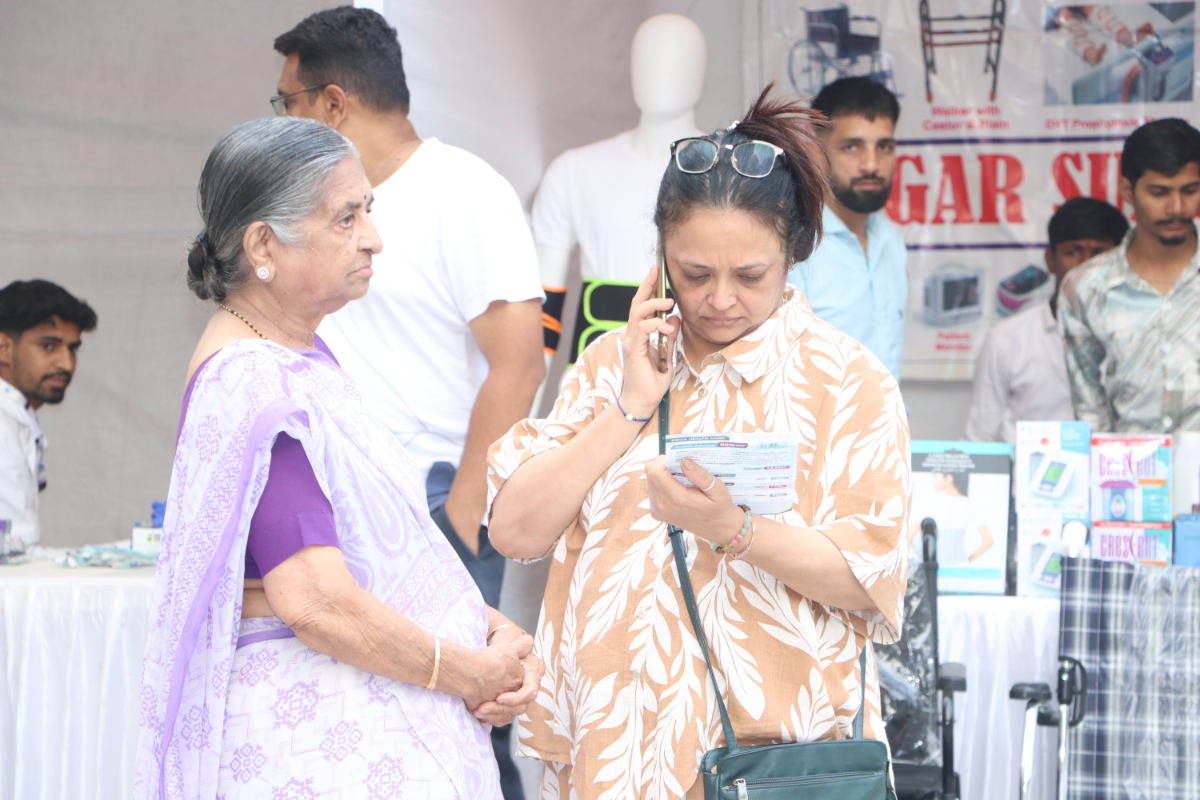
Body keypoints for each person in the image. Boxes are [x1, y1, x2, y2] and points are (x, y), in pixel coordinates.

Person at [487, 88, 910, 800]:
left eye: (750, 276)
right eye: (694, 273)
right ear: (660, 256)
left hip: (773, 766)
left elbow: (873, 578)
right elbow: (515, 532)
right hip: (615, 754)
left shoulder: (847, 381)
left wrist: (735, 530)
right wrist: (629, 406)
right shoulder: (609, 366)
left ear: (794, 251)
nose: (719, 299)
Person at [135, 117, 542, 800]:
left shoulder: (291, 356)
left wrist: (493, 631)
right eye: (346, 218)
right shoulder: (254, 381)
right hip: (313, 746)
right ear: (263, 244)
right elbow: (316, 600)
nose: (374, 237)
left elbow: (385, 555)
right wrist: (469, 672)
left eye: (368, 211)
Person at [271, 11, 545, 794]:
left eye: (287, 103)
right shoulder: (317, 205)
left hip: (430, 499)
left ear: (332, 104)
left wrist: (461, 518)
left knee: (464, 724)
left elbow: (520, 363)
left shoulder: (465, 190)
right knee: (366, 728)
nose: (281, 122)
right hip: (335, 499)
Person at [1060, 118, 1200, 434]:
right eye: (1159, 192)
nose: (1177, 207)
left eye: (1190, 190)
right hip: (1129, 462)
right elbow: (1088, 406)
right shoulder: (1086, 286)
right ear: (1128, 191)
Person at [964, 197, 1129, 442]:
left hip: (1111, 467)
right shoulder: (1006, 339)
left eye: (1099, 253)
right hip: (1027, 467)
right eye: (1072, 252)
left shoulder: (1137, 336)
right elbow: (979, 439)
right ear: (1051, 260)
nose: (1085, 266)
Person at [789, 77, 907, 379]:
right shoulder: (795, 248)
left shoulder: (890, 240)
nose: (871, 165)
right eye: (852, 147)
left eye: (884, 147)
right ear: (816, 149)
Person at [0, 280, 96, 547]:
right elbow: (15, 544)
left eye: (72, 349)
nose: (66, 363)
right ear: (4, 348)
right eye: (48, 346)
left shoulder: (17, 413)